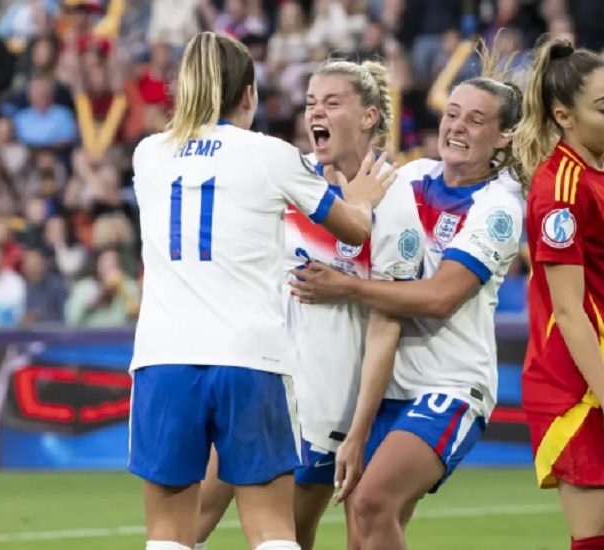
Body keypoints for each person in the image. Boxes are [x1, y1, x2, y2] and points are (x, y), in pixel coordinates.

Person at [127, 31, 393, 550]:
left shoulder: (147, 156)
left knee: (167, 536)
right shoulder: (271, 156)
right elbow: (355, 230)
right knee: (272, 530)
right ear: (248, 94)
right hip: (251, 359)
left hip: (164, 359)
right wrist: (361, 198)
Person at [289, 38, 525, 550]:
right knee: (364, 526)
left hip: (450, 386)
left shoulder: (499, 207)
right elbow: (351, 203)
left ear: (505, 136)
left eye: (476, 121)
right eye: (453, 114)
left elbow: (441, 296)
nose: (457, 127)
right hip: (386, 386)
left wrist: (344, 287)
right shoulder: (413, 176)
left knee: (372, 501)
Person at [195, 58, 423, 550]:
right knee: (194, 514)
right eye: (311, 102)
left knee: (291, 535)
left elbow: (388, 324)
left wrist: (360, 431)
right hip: (259, 376)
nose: (315, 112)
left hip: (324, 403)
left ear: (367, 117)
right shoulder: (292, 178)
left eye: (332, 102)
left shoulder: (394, 199)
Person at [513, 37, 604, 550]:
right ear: (563, 116)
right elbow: (568, 312)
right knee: (596, 540)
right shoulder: (559, 190)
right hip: (579, 388)